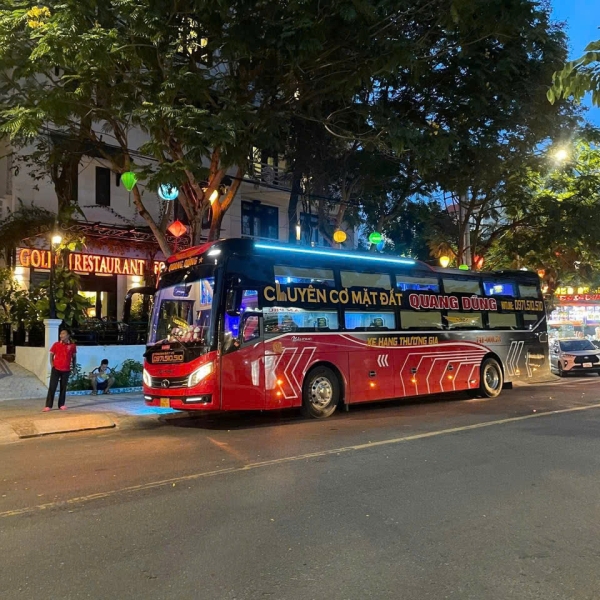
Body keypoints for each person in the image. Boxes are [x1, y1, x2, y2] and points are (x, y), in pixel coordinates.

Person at [44, 329, 77, 411]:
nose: (61, 335)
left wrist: (74, 367)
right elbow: (51, 355)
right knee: (52, 387)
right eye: (60, 334)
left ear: (68, 335)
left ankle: (61, 404)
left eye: (63, 333)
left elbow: (74, 357)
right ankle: (48, 405)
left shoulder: (72, 346)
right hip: (56, 368)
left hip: (66, 369)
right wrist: (52, 365)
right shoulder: (56, 344)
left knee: (63, 387)